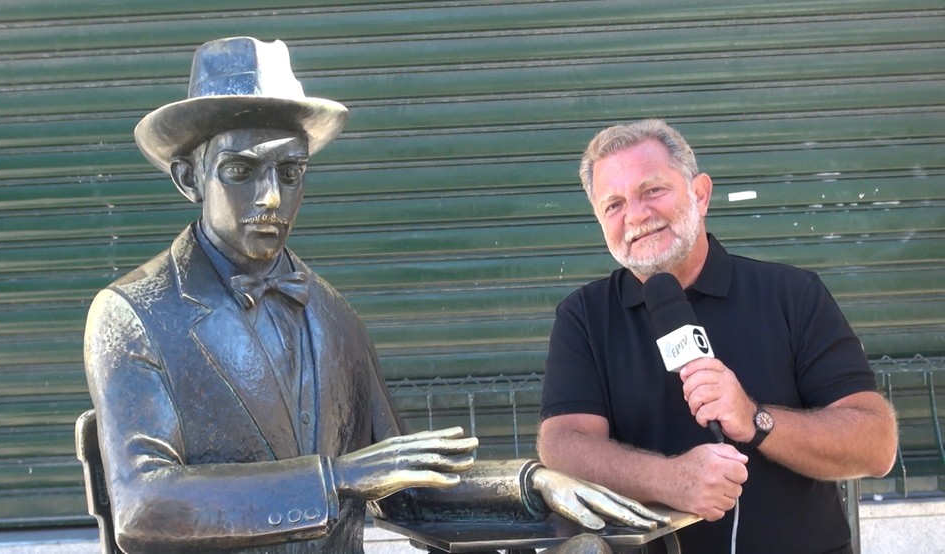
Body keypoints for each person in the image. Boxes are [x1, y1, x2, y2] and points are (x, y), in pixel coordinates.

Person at [83, 37, 667, 554]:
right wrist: (335, 478)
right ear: (190, 178)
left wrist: (531, 483)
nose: (270, 199)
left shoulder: (332, 315)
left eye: (290, 173)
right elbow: (143, 507)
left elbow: (402, 484)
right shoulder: (135, 313)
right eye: (241, 171)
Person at [537, 119, 898, 553]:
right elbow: (563, 445)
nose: (635, 215)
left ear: (700, 194)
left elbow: (876, 445)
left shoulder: (793, 295)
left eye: (652, 190)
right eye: (613, 204)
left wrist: (756, 419)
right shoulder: (585, 317)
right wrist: (670, 480)